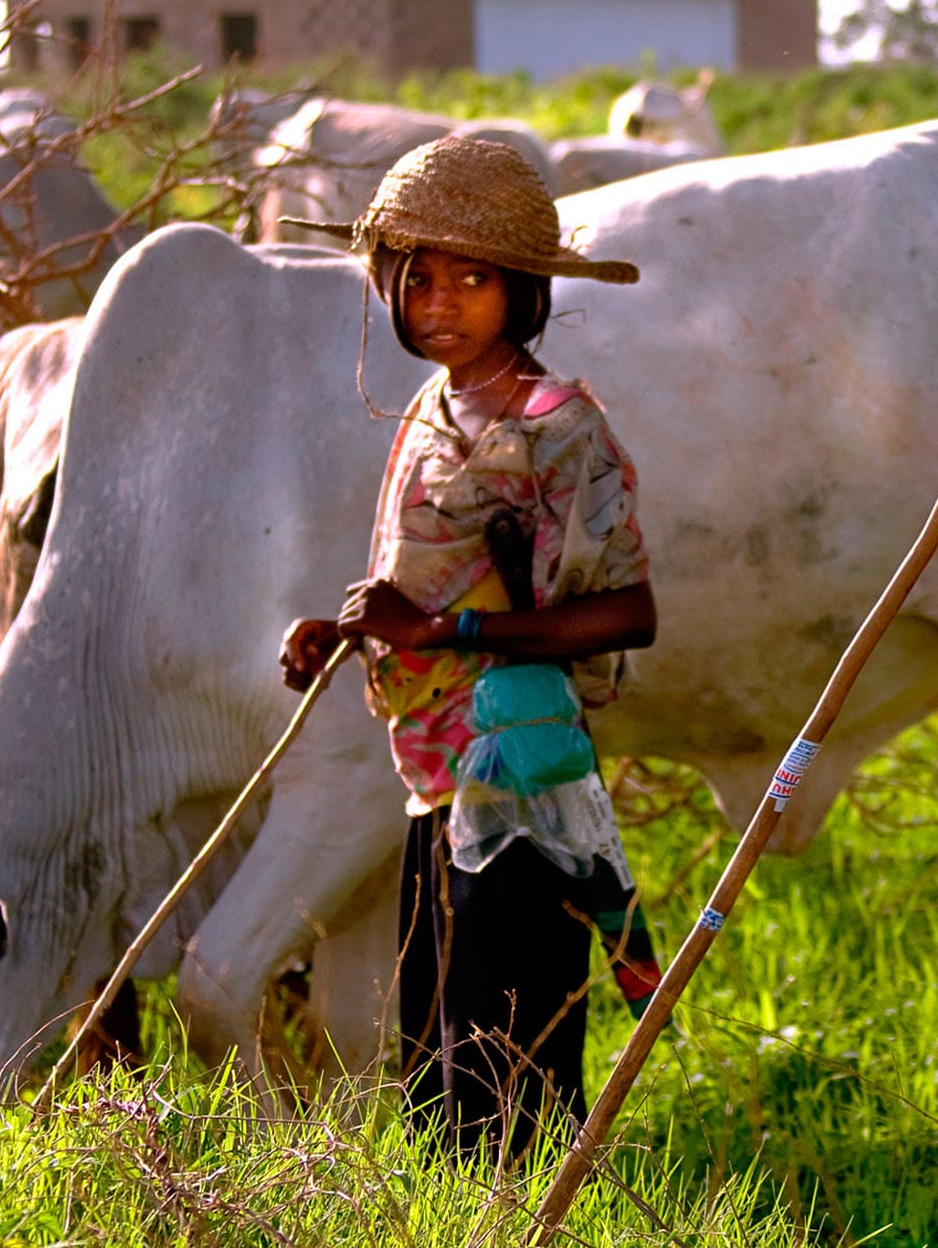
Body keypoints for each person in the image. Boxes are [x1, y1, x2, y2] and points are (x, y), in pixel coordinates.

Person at [278, 135, 664, 1155]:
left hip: (517, 789)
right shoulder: (434, 404)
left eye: (471, 278)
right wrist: (349, 629)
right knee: (437, 1054)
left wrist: (439, 632)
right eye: (417, 278)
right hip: (435, 780)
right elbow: (428, 571)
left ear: (524, 292)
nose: (438, 302)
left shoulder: (558, 428)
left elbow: (627, 614)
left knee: (503, 1072)